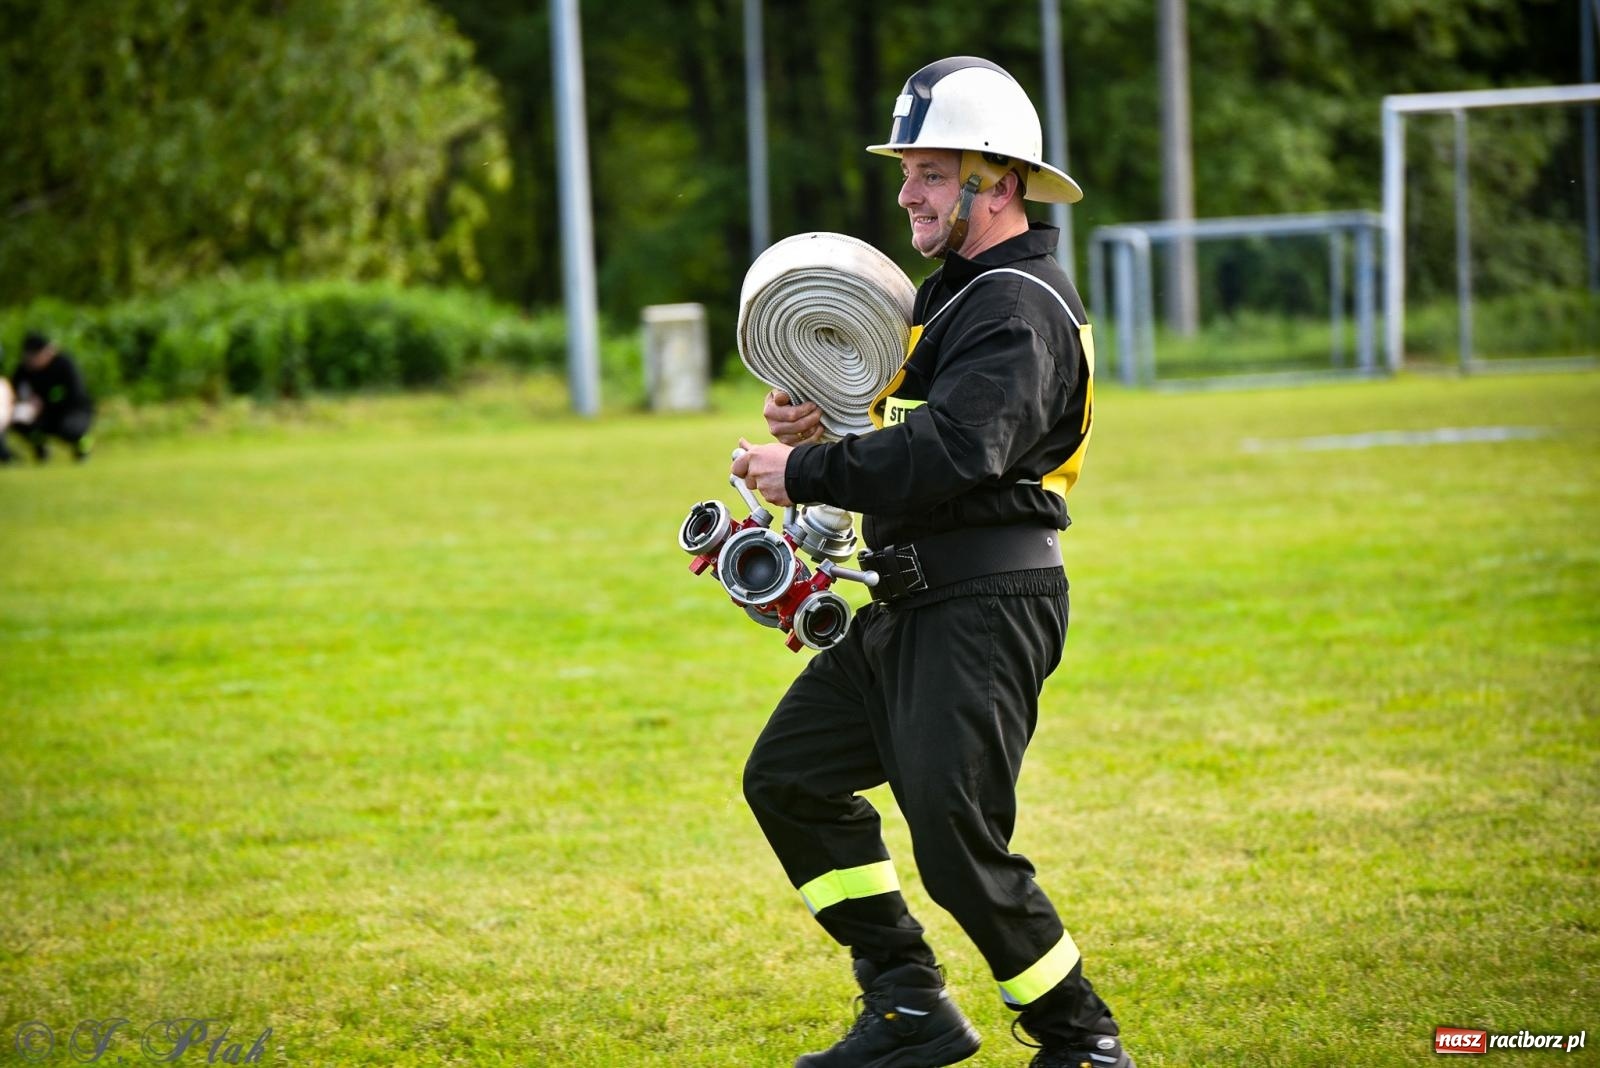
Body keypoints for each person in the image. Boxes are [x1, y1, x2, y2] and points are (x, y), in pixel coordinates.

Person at [731, 57, 1134, 1068]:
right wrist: (817, 420)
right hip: (912, 600)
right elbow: (894, 421)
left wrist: (809, 465)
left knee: (955, 846)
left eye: (928, 172)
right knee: (789, 779)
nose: (905, 192)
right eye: (906, 170)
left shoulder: (1017, 305)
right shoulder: (953, 295)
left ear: (994, 181)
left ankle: (1083, 1041)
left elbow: (958, 450)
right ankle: (909, 1004)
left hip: (986, 601)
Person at [8, 331, 95, 463]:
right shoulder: (24, 370)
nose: (31, 361)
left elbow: (75, 393)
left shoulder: (64, 364)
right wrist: (25, 403)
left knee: (69, 428)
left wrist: (46, 402)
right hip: (42, 413)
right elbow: (14, 392)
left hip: (72, 410)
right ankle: (40, 446)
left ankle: (81, 444)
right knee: (17, 419)